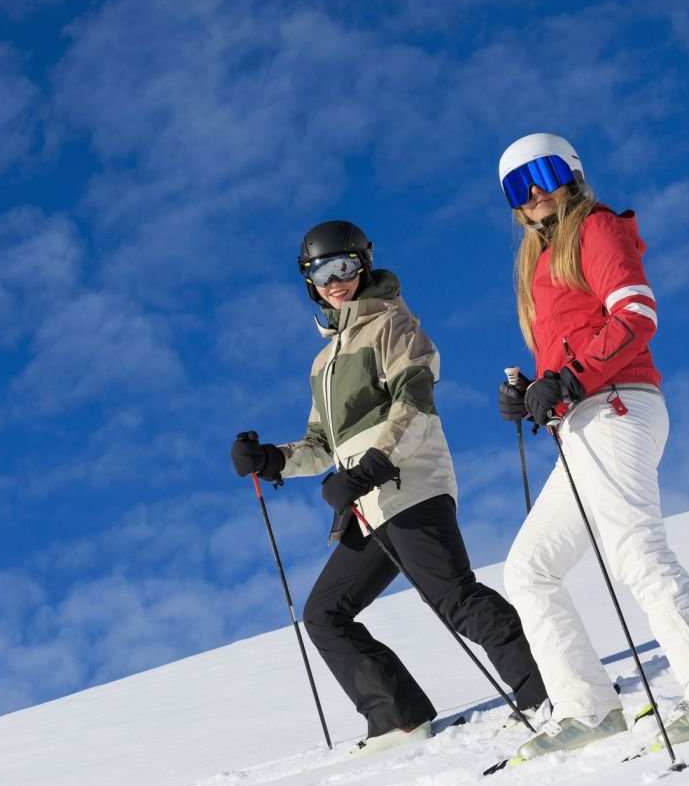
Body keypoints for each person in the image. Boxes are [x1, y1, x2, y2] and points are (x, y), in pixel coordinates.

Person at [231, 220, 547, 756]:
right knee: (325, 615)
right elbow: (322, 443)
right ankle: (398, 717)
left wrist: (374, 464)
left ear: (364, 265)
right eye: (320, 272)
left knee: (454, 597)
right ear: (309, 281)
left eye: (344, 267)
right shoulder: (324, 361)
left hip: (409, 484)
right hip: (368, 503)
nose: (334, 280)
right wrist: (271, 460)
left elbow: (415, 402)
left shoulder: (393, 324)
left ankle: (549, 688)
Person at [493, 134, 689, 761]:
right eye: (516, 187)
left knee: (636, 549)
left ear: (572, 175)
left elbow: (636, 313)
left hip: (617, 407)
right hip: (582, 421)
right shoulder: (537, 263)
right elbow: (566, 352)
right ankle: (587, 707)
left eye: (542, 174)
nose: (532, 194)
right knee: (529, 570)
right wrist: (535, 391)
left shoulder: (597, 228)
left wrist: (572, 378)